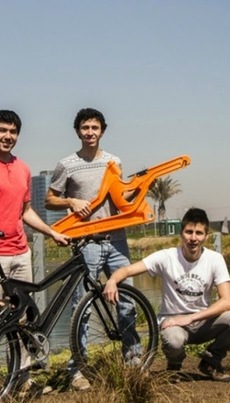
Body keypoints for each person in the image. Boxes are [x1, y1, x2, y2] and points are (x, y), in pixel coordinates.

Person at [45, 107, 140, 391]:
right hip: (86, 244)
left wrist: (140, 189)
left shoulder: (114, 162)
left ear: (102, 131)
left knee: (127, 301)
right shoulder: (67, 164)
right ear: (78, 131)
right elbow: (50, 199)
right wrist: (71, 202)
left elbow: (121, 196)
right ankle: (78, 370)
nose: (90, 132)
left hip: (117, 240)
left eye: (95, 128)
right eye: (85, 128)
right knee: (81, 308)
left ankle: (133, 361)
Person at [103, 207, 230, 383]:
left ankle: (211, 361)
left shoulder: (215, 259)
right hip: (173, 323)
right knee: (173, 341)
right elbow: (127, 270)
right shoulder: (167, 257)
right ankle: (174, 366)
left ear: (206, 236)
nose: (193, 238)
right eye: (189, 232)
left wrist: (191, 318)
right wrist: (112, 281)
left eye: (198, 233)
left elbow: (227, 302)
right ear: (181, 233)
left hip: (202, 322)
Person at [0, 110, 70, 394]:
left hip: (21, 252)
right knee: (3, 319)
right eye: (2, 130)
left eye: (13, 132)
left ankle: (22, 380)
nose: (7, 136)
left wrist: (52, 232)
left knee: (24, 319)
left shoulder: (23, 169)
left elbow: (26, 211)